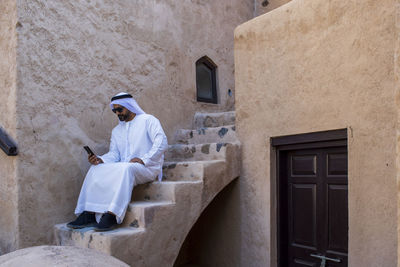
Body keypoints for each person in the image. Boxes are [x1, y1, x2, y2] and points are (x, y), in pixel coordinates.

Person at [67, 92, 168, 231]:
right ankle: (89, 213)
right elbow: (114, 154)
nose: (117, 113)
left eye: (120, 109)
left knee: (127, 168)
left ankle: (112, 215)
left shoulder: (148, 120)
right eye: (114, 110)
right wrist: (100, 159)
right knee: (95, 168)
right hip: (124, 166)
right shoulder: (116, 130)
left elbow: (161, 142)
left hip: (147, 167)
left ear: (130, 106)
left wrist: (144, 159)